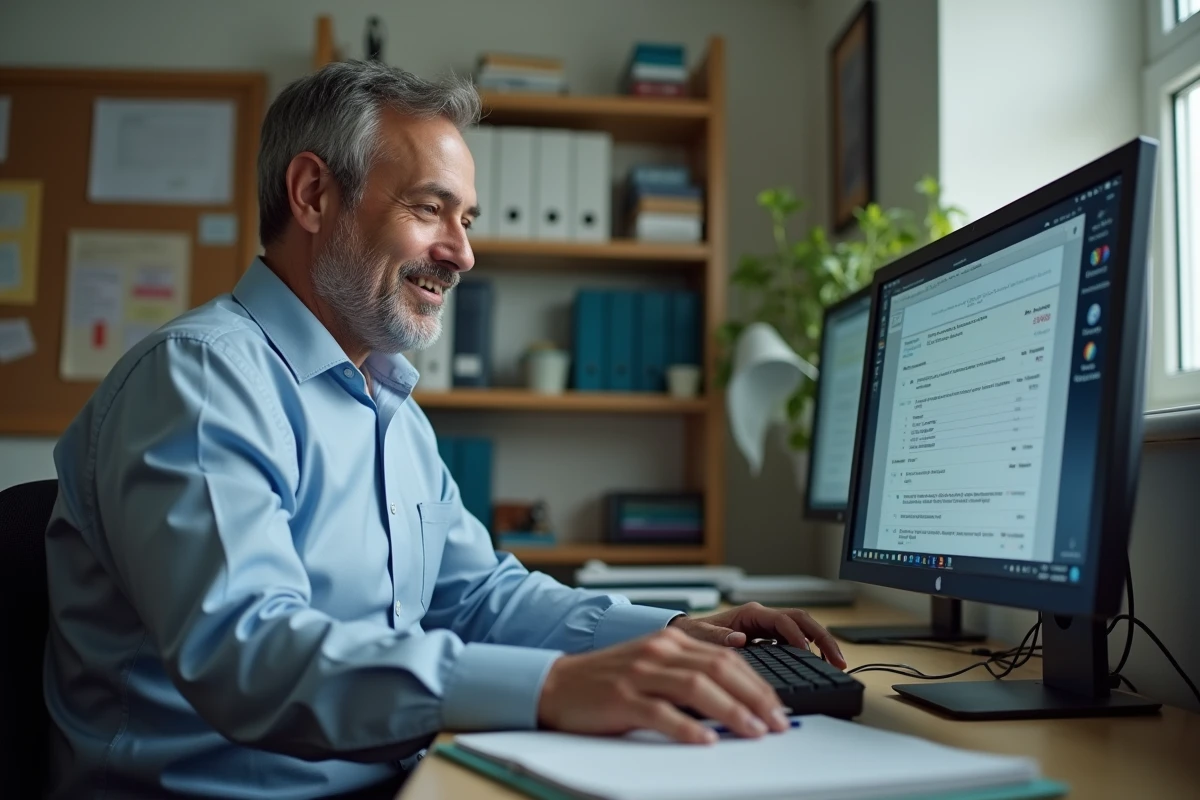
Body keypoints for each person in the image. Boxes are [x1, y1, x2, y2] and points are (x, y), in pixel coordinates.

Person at [43, 60, 846, 800]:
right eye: (430, 208)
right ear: (314, 195)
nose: (462, 253)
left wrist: (673, 635)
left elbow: (477, 599)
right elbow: (249, 654)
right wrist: (552, 688)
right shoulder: (203, 380)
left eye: (467, 218)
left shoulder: (387, 397)